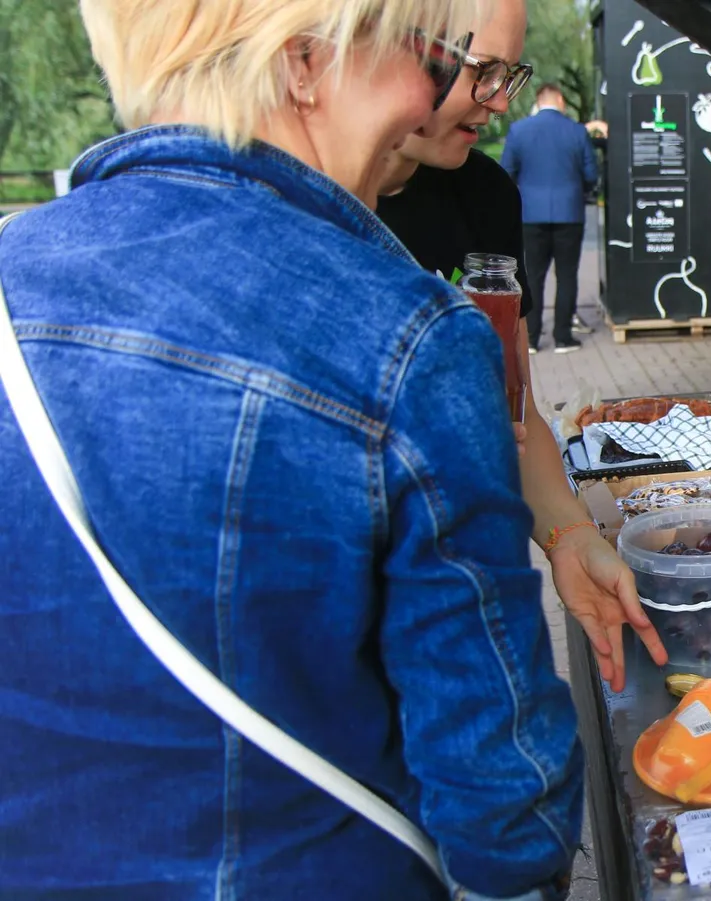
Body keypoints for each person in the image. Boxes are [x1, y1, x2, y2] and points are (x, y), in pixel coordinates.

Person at [0, 2, 581, 899]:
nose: (435, 95)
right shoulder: (412, 338)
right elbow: (507, 811)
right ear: (305, 60)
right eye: (427, 56)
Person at [377, 0, 667, 691]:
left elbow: (516, 411)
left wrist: (571, 537)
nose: (500, 104)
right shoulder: (307, 209)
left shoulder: (485, 195)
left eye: (511, 75)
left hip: (472, 585)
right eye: (481, 72)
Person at [502, 84, 599, 354]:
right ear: (559, 99)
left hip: (531, 214)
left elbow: (505, 171)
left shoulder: (519, 130)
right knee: (567, 275)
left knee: (533, 274)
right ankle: (563, 337)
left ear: (538, 100)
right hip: (569, 212)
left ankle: (531, 338)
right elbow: (592, 173)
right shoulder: (577, 131)